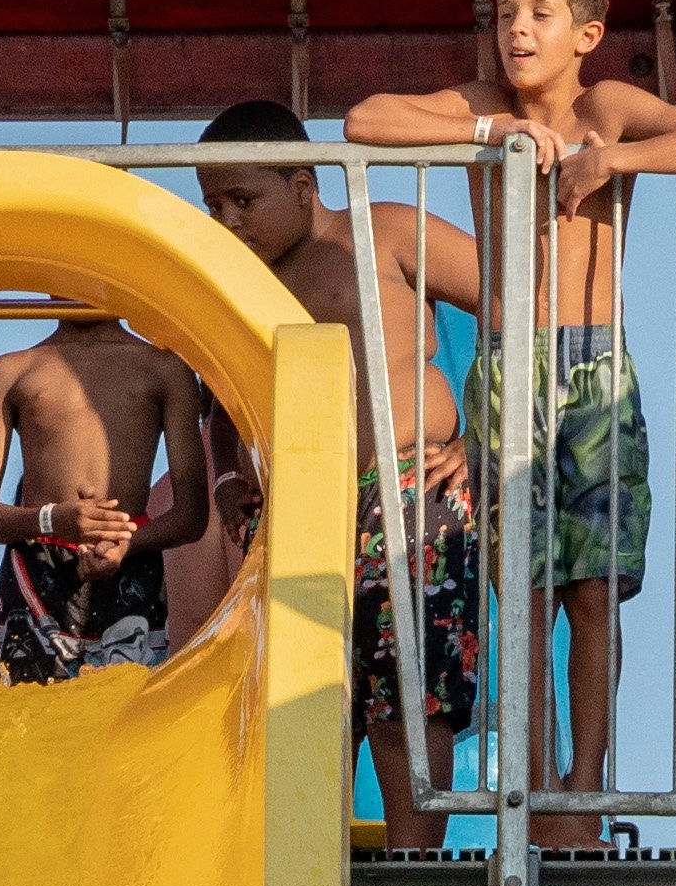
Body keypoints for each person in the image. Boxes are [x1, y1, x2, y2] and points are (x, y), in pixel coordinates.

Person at [349, 0, 676, 844]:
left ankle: (584, 787)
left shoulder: (605, 107)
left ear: (586, 35)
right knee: (521, 590)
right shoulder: (482, 106)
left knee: (593, 590)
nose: (517, 32)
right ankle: (533, 785)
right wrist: (489, 136)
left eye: (538, 15)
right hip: (507, 365)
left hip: (595, 366)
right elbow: (365, 119)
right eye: (505, 16)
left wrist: (615, 163)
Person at [193, 102, 486, 841]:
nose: (229, 220)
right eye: (214, 205)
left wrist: (488, 436)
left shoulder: (384, 231)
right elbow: (220, 401)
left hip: (408, 491)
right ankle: (313, 874)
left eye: (243, 200)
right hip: (294, 510)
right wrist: (228, 483)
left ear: (302, 185)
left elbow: (519, 300)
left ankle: (414, 866)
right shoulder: (235, 284)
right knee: (306, 699)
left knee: (408, 694)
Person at [0, 311, 215, 686]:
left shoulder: (166, 369)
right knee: (25, 710)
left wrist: (126, 544)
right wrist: (51, 519)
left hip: (131, 564)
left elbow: (192, 515)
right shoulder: (10, 371)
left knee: (125, 709)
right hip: (37, 567)